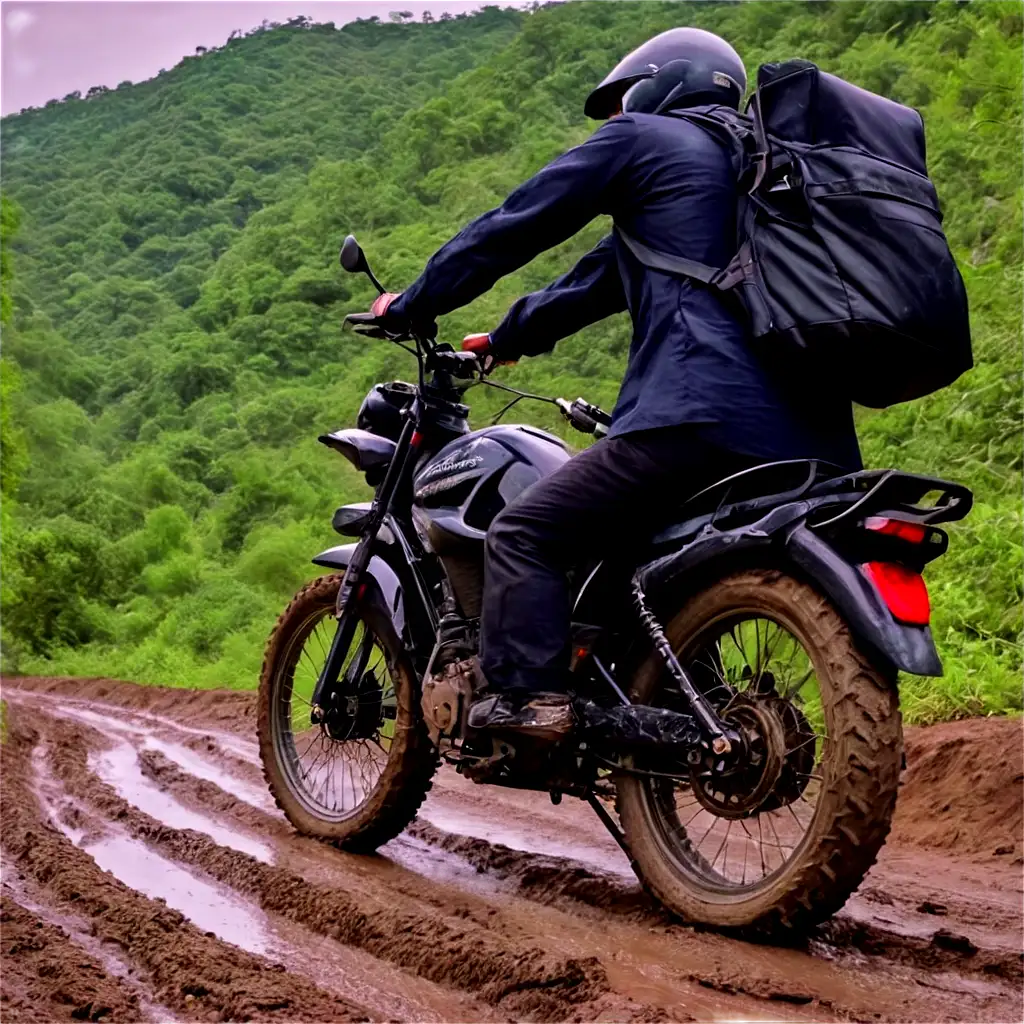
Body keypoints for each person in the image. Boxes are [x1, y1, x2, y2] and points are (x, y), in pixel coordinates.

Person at [369, 27, 862, 737]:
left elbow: (513, 224)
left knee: (526, 531)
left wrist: (415, 302)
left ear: (661, 85)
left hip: (695, 415)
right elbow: (595, 280)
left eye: (630, 95)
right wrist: (507, 339)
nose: (623, 109)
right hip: (816, 439)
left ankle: (526, 699)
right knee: (621, 559)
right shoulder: (760, 177)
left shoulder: (645, 140)